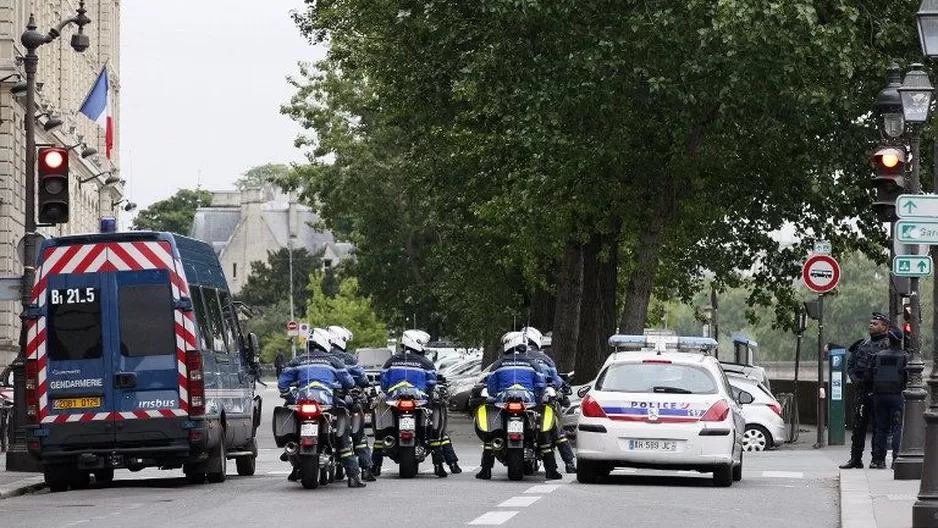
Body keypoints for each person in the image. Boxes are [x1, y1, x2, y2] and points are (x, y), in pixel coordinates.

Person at [278, 327, 366, 488]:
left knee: (290, 420)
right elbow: (349, 382)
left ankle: (290, 452)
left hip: (301, 402)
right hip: (326, 403)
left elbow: (282, 384)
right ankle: (354, 477)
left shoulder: (297, 360)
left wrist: (290, 398)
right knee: (343, 438)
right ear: (325, 342)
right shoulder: (333, 361)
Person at [476, 331, 561, 481]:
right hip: (528, 404)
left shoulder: (498, 364)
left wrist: (496, 395)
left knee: (493, 434)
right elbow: (541, 385)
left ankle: (486, 470)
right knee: (542, 436)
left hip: (504, 403)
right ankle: (551, 470)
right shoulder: (533, 364)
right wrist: (536, 397)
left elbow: (491, 388)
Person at [372, 329, 452, 477]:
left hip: (394, 402)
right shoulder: (426, 363)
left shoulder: (391, 361)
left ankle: (375, 465)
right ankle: (438, 465)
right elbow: (431, 383)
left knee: (381, 428)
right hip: (419, 402)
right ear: (418, 344)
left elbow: (383, 383)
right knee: (431, 429)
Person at [519, 326, 577, 474]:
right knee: (557, 430)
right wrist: (563, 388)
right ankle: (569, 463)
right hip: (541, 403)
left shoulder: (511, 357)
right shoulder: (544, 358)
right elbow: (556, 380)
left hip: (518, 403)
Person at [326, 325, 377, 482]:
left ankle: (297, 469)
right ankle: (366, 469)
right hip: (344, 401)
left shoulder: (319, 357)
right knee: (359, 435)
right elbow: (362, 380)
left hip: (323, 401)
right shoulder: (348, 359)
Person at [840, 312, 890, 470]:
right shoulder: (862, 344)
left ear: (884, 327)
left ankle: (877, 459)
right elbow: (851, 364)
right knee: (858, 426)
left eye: (875, 324)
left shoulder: (888, 345)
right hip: (862, 391)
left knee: (879, 427)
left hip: (879, 392)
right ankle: (855, 458)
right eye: (870, 323)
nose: (871, 326)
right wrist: (855, 380)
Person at [867, 326, 908, 469]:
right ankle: (896, 459)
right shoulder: (904, 357)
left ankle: (878, 460)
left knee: (881, 428)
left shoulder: (878, 356)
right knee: (897, 427)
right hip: (897, 396)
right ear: (900, 341)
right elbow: (908, 378)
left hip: (879, 396)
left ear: (888, 340)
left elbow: (870, 376)